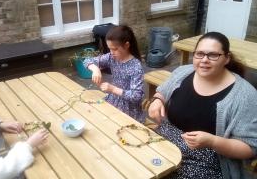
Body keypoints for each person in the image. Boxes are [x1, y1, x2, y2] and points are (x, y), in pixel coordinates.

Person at [146, 32, 257, 179]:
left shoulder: (245, 95)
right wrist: (157, 100)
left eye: (213, 55)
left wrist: (212, 141)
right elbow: (162, 92)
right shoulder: (183, 72)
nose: (204, 60)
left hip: (207, 160)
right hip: (164, 141)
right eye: (199, 54)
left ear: (226, 58)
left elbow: (250, 147)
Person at [84, 25, 145, 123]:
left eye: (115, 49)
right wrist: (95, 69)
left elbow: (136, 96)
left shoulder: (135, 66)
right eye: (110, 49)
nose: (111, 52)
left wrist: (113, 89)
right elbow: (87, 61)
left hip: (130, 110)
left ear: (126, 45)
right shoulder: (111, 57)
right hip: (113, 100)